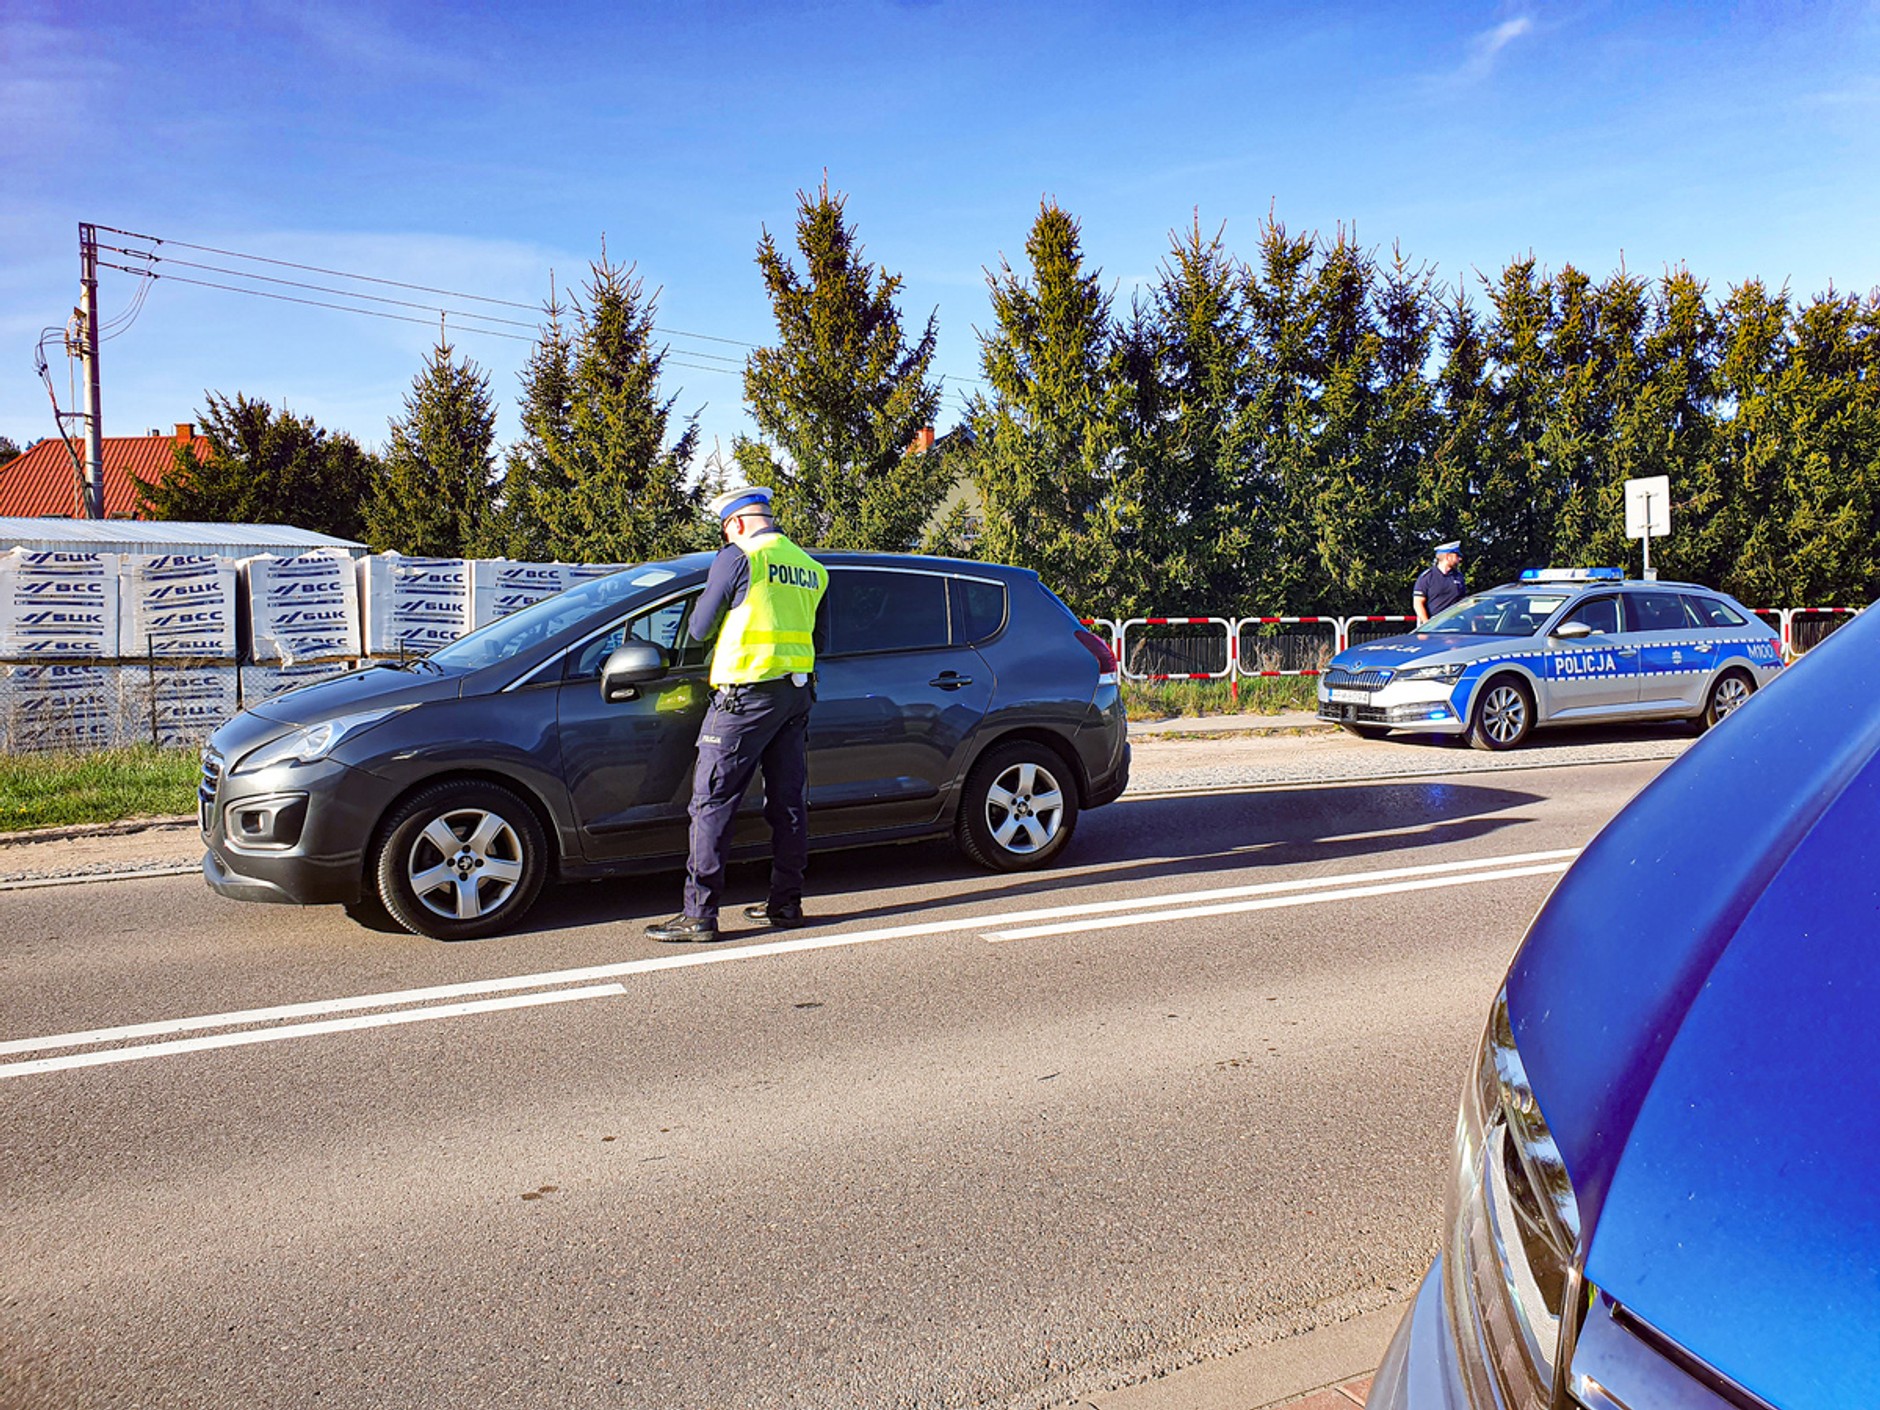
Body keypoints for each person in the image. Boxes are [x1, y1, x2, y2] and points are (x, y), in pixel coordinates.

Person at [645, 485, 827, 943]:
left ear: (739, 523)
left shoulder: (739, 556)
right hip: (795, 695)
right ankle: (786, 904)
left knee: (711, 802)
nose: (726, 537)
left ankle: (699, 914)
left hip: (744, 699)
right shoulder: (810, 568)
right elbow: (819, 643)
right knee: (787, 804)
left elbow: (701, 626)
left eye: (726, 529)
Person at [1413, 541, 1467, 624]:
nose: (1459, 559)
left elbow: (1463, 602)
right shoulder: (1427, 577)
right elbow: (1418, 603)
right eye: (1457, 556)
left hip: (1456, 625)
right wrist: (1427, 624)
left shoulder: (1459, 577)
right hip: (1435, 626)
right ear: (1448, 557)